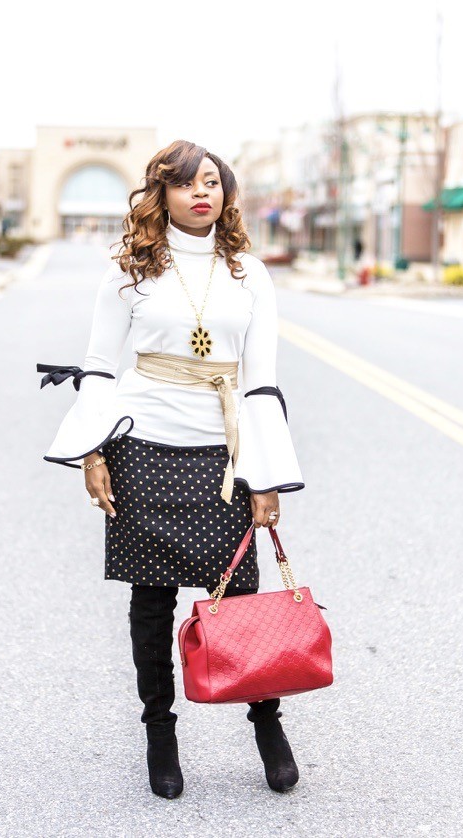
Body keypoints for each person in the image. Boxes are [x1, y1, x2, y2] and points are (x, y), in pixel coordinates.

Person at [36, 139, 306, 799]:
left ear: (225, 191)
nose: (200, 192)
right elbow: (100, 367)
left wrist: (264, 478)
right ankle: (161, 732)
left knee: (241, 599)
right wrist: (93, 454)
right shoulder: (129, 267)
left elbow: (262, 383)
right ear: (163, 194)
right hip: (143, 447)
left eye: (211, 181)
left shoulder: (248, 271)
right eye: (186, 183)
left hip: (224, 455)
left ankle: (267, 723)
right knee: (152, 604)